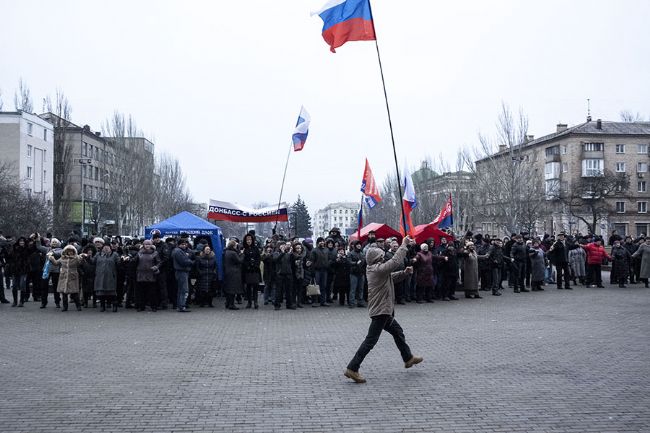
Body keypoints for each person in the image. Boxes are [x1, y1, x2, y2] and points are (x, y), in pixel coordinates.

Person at [344, 236, 422, 384]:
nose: (384, 257)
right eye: (381, 256)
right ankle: (352, 368)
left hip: (384, 310)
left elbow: (390, 276)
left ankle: (408, 358)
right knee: (370, 341)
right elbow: (394, 262)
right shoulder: (376, 269)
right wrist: (404, 245)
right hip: (381, 311)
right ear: (376, 258)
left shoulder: (377, 270)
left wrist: (404, 273)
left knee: (398, 332)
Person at [47, 245, 83, 312]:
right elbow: (56, 263)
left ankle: (78, 306)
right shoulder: (62, 258)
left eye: (71, 251)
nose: (70, 253)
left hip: (72, 276)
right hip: (64, 276)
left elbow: (80, 263)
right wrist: (51, 258)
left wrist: (81, 257)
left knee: (75, 293)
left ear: (74, 252)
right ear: (65, 252)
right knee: (64, 294)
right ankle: (65, 307)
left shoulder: (76, 258)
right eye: (68, 251)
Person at [90, 239, 121, 312]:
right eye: (105, 247)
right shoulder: (98, 254)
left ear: (110, 248)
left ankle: (114, 305)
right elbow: (93, 262)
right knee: (101, 293)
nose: (106, 248)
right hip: (100, 276)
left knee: (112, 293)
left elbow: (119, 262)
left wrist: (123, 260)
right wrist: (88, 257)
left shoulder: (114, 255)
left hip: (111, 276)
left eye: (108, 247)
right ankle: (102, 305)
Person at [133, 239, 161, 312]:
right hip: (141, 274)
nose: (147, 246)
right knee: (141, 292)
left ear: (151, 245)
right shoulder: (139, 253)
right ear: (143, 245)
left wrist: (156, 267)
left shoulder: (155, 253)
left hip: (151, 274)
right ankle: (141, 306)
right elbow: (135, 262)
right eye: (146, 244)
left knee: (152, 292)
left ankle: (153, 306)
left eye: (149, 244)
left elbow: (159, 262)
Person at [172, 239, 195, 312]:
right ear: (179, 244)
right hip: (181, 272)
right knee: (184, 290)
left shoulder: (178, 251)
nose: (184, 245)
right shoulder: (178, 251)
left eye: (185, 244)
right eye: (182, 244)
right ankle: (182, 306)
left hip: (181, 272)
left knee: (180, 290)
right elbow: (184, 261)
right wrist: (192, 262)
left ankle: (180, 305)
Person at [222, 239, 243, 310]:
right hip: (234, 272)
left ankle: (227, 303)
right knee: (233, 289)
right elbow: (239, 261)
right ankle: (231, 304)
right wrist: (242, 254)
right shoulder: (233, 253)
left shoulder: (226, 252)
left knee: (228, 289)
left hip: (227, 271)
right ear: (233, 246)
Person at [242, 233, 261, 309]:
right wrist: (248, 265)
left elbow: (258, 258)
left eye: (250, 239)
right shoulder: (244, 248)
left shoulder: (255, 248)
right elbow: (244, 259)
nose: (248, 241)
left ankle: (255, 302)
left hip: (255, 270)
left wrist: (255, 265)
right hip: (247, 270)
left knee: (255, 287)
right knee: (248, 287)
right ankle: (249, 302)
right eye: (247, 240)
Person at [347, 241, 366, 308]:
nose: (359, 246)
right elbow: (349, 262)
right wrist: (355, 263)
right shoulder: (351, 253)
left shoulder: (362, 253)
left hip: (361, 273)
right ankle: (351, 302)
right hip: (354, 273)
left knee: (361, 288)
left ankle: (360, 301)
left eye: (360, 244)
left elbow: (364, 262)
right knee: (353, 289)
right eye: (357, 245)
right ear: (354, 246)